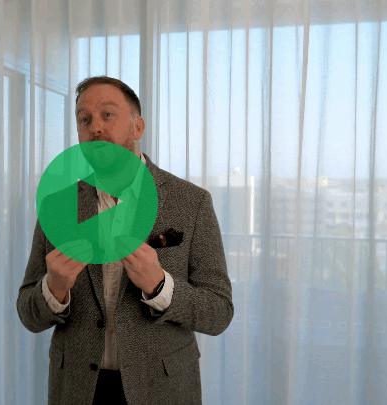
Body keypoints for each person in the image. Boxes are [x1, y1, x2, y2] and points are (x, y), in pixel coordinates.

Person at [16, 76, 234, 405]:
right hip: (77, 390)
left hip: (162, 390)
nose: (95, 128)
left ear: (137, 127)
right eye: (84, 119)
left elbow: (219, 313)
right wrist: (53, 289)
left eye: (108, 114)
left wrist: (160, 286)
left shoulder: (192, 203)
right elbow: (28, 314)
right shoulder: (57, 207)